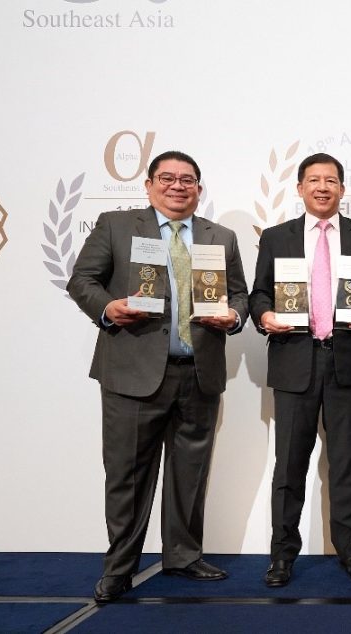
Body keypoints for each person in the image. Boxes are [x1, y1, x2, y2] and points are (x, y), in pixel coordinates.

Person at [67, 151, 249, 603]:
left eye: (187, 180)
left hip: (199, 373)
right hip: (133, 373)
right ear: (148, 186)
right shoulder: (116, 226)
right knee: (127, 476)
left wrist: (233, 316)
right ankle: (119, 568)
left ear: (199, 189)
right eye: (167, 178)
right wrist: (107, 308)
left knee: (190, 472)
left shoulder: (220, 237)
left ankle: (183, 556)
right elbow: (82, 280)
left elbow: (240, 294)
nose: (177, 186)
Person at [250, 153, 351, 585]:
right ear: (300, 188)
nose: (322, 187)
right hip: (294, 359)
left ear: (342, 189)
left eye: (330, 181)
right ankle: (282, 556)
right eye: (313, 180)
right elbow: (258, 294)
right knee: (289, 466)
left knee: (346, 463)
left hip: (347, 360)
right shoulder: (276, 237)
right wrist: (265, 315)